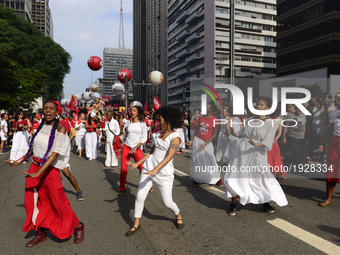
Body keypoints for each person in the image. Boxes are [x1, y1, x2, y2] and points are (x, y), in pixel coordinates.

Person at [11, 100, 84, 247]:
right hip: (34, 168)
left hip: (49, 171)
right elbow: (33, 147)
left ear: (57, 112)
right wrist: (21, 159)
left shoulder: (61, 128)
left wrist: (39, 172)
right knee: (31, 201)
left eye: (51, 109)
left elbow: (55, 154)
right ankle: (41, 232)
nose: (48, 111)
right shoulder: (41, 126)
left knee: (57, 203)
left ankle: (78, 226)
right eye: (45, 109)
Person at [125, 107, 184, 237]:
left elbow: (170, 156)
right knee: (140, 196)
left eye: (160, 120)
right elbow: (151, 151)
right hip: (148, 170)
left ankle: (177, 214)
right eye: (157, 120)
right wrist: (138, 163)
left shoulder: (175, 137)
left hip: (164, 174)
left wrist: (156, 169)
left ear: (168, 119)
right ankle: (136, 224)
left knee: (167, 202)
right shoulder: (158, 134)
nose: (158, 123)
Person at [224, 96, 288, 216]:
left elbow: (267, 142)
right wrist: (236, 134)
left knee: (261, 178)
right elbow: (243, 133)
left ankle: (265, 202)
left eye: (261, 105)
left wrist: (256, 144)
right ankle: (233, 205)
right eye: (257, 104)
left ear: (268, 108)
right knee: (238, 175)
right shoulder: (251, 119)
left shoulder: (271, 123)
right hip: (243, 150)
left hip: (259, 153)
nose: (258, 106)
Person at [188, 102, 222, 186]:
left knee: (211, 160)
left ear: (210, 109)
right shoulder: (201, 118)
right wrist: (191, 140)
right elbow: (197, 130)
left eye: (206, 107)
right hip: (197, 140)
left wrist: (205, 144)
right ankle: (198, 179)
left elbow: (214, 134)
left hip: (207, 142)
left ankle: (217, 178)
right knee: (197, 161)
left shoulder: (215, 120)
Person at [314, 93, 340, 207]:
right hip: (334, 143)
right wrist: (321, 145)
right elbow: (330, 130)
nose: (335, 99)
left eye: (338, 98)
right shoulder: (335, 112)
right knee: (331, 170)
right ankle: (328, 198)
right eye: (336, 97)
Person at [117, 102, 148, 196]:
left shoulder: (142, 124)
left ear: (138, 112)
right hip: (126, 146)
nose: (132, 112)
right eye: (131, 111)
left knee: (142, 167)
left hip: (137, 148)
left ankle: (147, 186)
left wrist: (135, 148)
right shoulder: (128, 123)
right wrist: (122, 145)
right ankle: (122, 187)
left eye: (134, 111)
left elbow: (144, 138)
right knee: (123, 169)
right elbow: (126, 135)